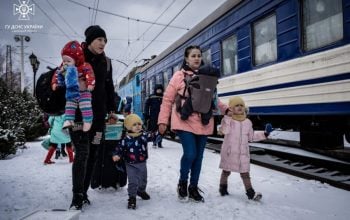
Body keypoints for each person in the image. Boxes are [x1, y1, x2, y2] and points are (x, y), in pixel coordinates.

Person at [158, 45, 228, 202]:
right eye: (193, 55)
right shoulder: (178, 76)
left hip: (204, 121)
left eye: (199, 55)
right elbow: (168, 99)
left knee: (199, 157)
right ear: (186, 59)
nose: (197, 58)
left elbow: (214, 99)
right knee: (190, 154)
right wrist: (162, 121)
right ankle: (183, 183)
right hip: (184, 120)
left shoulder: (208, 76)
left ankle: (193, 187)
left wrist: (227, 110)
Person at [68, 25, 116, 210]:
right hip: (79, 116)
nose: (103, 43)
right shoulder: (76, 59)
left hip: (98, 119)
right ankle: (77, 195)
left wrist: (111, 109)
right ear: (89, 41)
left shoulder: (107, 62)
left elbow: (109, 87)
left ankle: (84, 192)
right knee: (82, 153)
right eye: (99, 39)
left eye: (105, 40)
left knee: (94, 153)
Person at [218, 96, 273, 201]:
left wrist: (264, 134)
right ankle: (222, 188)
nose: (239, 107)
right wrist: (228, 118)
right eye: (236, 105)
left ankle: (250, 193)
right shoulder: (228, 120)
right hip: (230, 153)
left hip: (243, 154)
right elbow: (224, 131)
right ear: (231, 108)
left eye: (241, 105)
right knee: (226, 172)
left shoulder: (248, 122)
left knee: (245, 174)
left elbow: (251, 137)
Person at [52, 40, 95, 132]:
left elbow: (90, 74)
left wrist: (90, 83)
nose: (65, 63)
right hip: (71, 92)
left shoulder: (84, 66)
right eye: (64, 60)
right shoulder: (63, 68)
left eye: (68, 60)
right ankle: (69, 120)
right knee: (69, 106)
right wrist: (55, 83)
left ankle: (88, 121)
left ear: (76, 59)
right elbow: (56, 74)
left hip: (84, 92)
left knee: (85, 106)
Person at [112, 114, 151, 209]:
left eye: (139, 124)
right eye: (134, 124)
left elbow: (153, 136)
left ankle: (141, 191)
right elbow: (119, 148)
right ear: (129, 127)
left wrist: (160, 133)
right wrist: (116, 155)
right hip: (130, 164)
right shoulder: (125, 139)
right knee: (132, 181)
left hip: (142, 163)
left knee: (143, 180)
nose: (138, 126)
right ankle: (132, 198)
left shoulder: (144, 136)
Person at [144, 84, 164, 148]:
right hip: (153, 116)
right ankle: (154, 142)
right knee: (154, 130)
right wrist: (146, 113)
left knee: (161, 130)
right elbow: (146, 105)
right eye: (158, 89)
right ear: (155, 90)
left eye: (160, 90)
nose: (159, 91)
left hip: (162, 116)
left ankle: (159, 143)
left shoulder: (164, 97)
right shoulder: (151, 97)